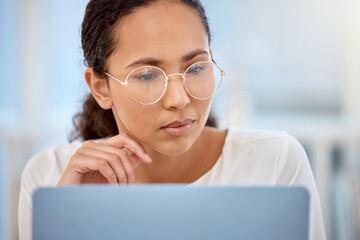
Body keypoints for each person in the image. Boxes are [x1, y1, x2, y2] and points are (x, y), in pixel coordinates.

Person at [18, 0, 326, 239]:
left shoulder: (274, 161)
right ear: (101, 88)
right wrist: (70, 215)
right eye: (148, 74)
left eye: (195, 68)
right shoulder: (51, 178)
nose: (179, 99)